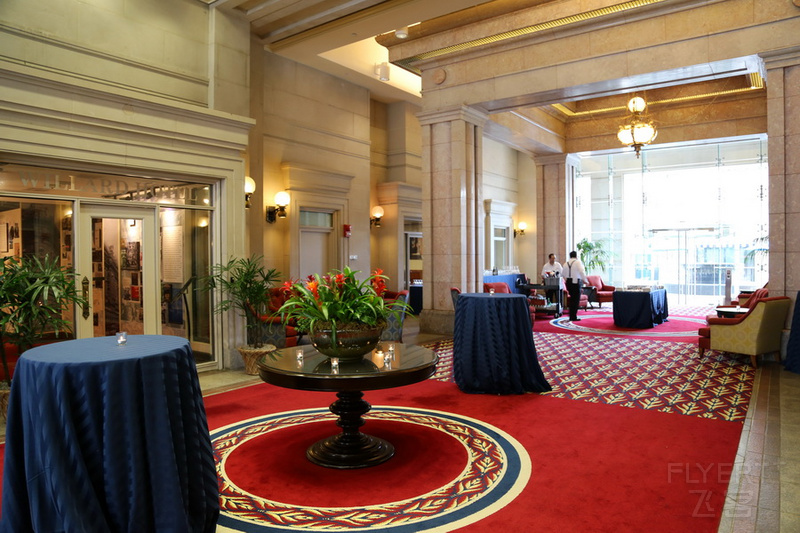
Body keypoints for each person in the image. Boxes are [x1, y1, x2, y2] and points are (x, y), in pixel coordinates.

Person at [564, 250, 587, 322]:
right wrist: (585, 280)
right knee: (576, 300)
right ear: (576, 256)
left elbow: (563, 274)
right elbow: (581, 271)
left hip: (569, 282)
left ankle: (571, 315)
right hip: (576, 282)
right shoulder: (577, 262)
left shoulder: (566, 263)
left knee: (572, 299)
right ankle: (573, 316)